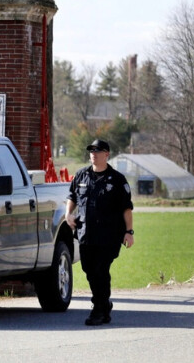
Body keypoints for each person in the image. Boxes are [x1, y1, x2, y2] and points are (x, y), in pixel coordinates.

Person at [66, 139, 134, 326]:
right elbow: (72, 197)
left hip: (109, 235)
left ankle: (98, 309)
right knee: (89, 270)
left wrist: (129, 231)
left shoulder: (117, 180)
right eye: (91, 151)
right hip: (86, 233)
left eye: (98, 151)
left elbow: (126, 208)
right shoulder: (81, 175)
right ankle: (105, 304)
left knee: (100, 270)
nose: (94, 154)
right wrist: (67, 214)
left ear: (107, 154)